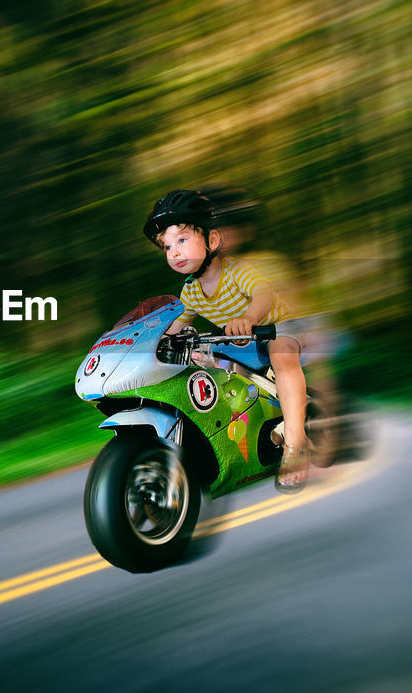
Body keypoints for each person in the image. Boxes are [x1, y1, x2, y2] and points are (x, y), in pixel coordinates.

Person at [142, 189, 333, 492]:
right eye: (167, 246)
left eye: (181, 240)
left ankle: (295, 445)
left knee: (283, 353)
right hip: (238, 340)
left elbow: (263, 294)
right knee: (203, 363)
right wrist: (155, 344)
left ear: (213, 241)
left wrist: (251, 317)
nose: (174, 252)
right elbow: (179, 324)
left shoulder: (237, 272)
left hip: (276, 327)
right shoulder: (190, 292)